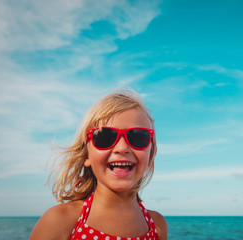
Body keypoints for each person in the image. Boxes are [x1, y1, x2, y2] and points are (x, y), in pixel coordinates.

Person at [30, 89, 168, 240]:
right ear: (86, 154)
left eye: (137, 137)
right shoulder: (60, 220)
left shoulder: (157, 225)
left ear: (151, 154)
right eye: (105, 137)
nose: (122, 148)